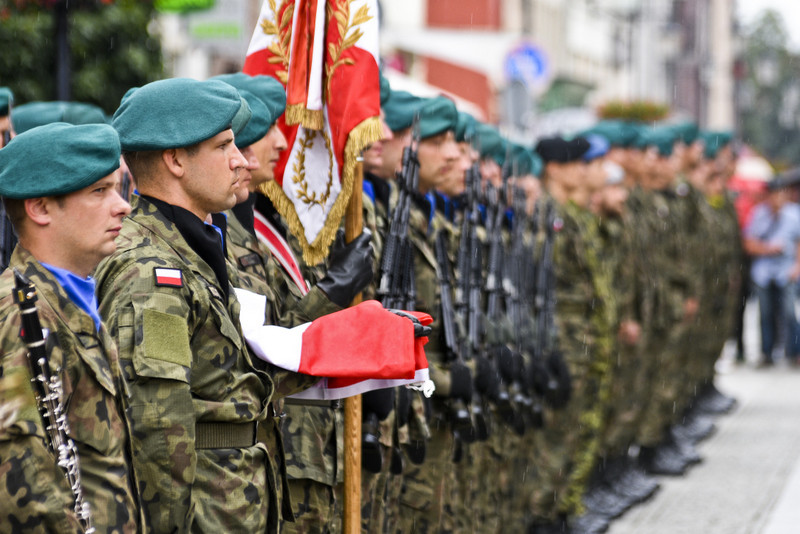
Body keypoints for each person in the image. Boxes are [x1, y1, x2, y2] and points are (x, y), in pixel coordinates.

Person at [0, 122, 140, 533]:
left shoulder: (73, 298)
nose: (122, 206)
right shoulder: (21, 316)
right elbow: (25, 488)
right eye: (99, 191)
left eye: (116, 188)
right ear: (40, 209)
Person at [744, 178, 800, 366]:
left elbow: (798, 242)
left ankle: (794, 352)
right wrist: (768, 248)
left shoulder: (794, 214)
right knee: (765, 313)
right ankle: (766, 352)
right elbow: (749, 243)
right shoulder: (758, 214)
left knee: (789, 312)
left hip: (786, 270)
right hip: (763, 271)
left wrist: (797, 266)